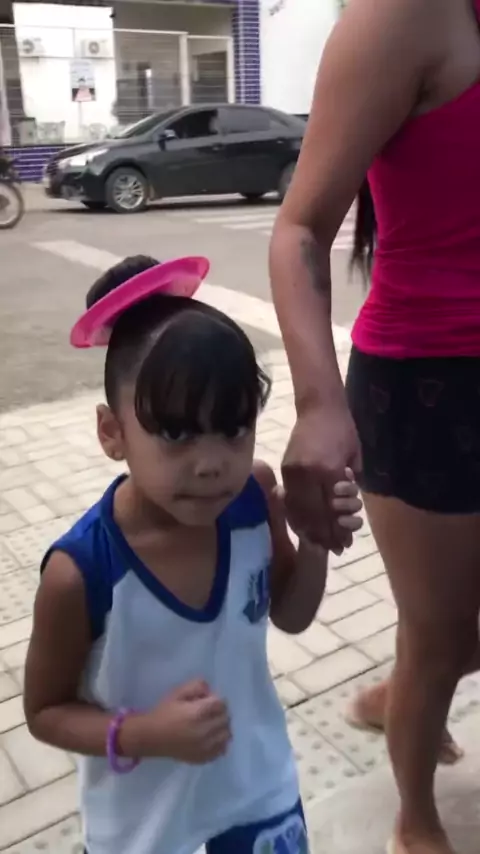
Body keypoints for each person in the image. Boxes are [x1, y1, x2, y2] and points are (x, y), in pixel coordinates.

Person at [23, 254, 362, 854]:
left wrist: (315, 541)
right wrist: (142, 733)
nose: (211, 463)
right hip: (145, 830)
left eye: (233, 428)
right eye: (176, 433)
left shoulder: (253, 498)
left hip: (260, 794)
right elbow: (46, 711)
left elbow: (289, 613)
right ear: (112, 433)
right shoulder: (81, 573)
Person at [269, 1, 480, 852]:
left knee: (447, 637)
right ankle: (415, 818)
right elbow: (299, 229)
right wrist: (318, 404)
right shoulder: (405, 15)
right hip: (430, 389)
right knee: (443, 636)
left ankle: (403, 692)